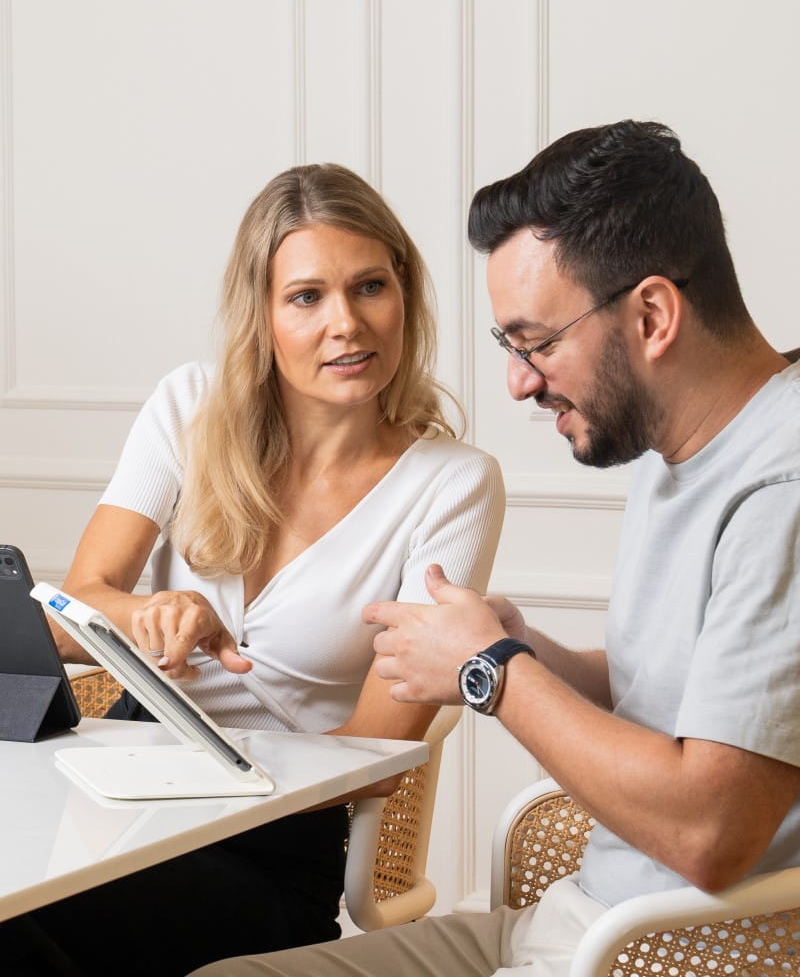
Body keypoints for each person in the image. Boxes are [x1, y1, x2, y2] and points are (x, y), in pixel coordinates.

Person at [186, 120, 800, 977]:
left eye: (538, 343)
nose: (519, 380)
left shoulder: (781, 489)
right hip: (573, 922)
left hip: (657, 954)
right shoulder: (685, 447)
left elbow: (711, 833)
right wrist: (521, 643)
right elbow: (675, 696)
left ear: (653, 314)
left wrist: (496, 672)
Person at [4, 163, 504, 977]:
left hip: (267, 853)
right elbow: (65, 614)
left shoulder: (454, 484)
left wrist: (210, 775)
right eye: (306, 296)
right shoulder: (187, 410)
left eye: (369, 286)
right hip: (112, 797)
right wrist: (150, 616)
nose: (346, 323)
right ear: (263, 313)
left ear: (404, 294)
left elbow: (372, 751)